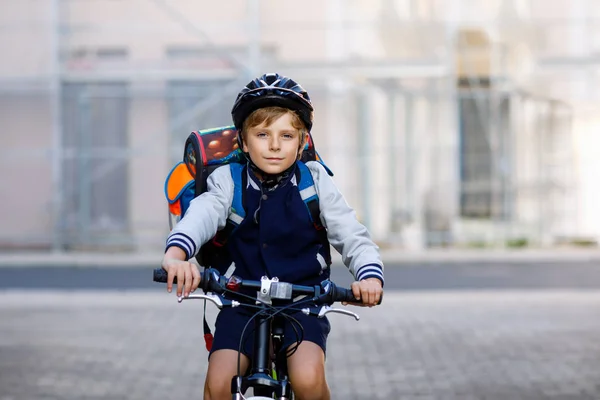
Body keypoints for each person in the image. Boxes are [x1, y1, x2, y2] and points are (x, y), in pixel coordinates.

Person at [161, 73, 384, 400]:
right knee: (218, 382)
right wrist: (176, 255)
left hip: (304, 302)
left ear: (302, 140)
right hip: (240, 300)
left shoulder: (315, 181)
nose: (275, 145)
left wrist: (369, 277)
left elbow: (352, 235)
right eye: (263, 134)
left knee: (308, 379)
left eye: (287, 135)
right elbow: (202, 214)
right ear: (244, 141)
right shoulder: (228, 180)